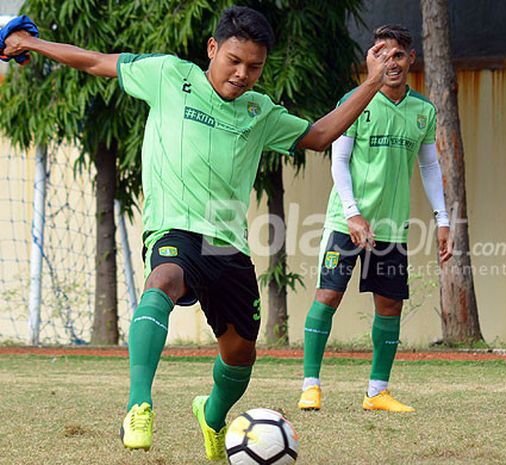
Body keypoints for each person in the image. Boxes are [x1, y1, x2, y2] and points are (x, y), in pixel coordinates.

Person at [1, 6, 397, 459]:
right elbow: (94, 60)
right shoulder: (169, 76)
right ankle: (138, 405)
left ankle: (211, 417)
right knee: (163, 280)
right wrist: (29, 43)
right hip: (174, 226)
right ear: (213, 49)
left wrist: (371, 82)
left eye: (255, 66)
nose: (242, 74)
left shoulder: (259, 110)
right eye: (234, 60)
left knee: (241, 352)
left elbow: (321, 134)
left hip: (226, 243)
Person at [297, 24, 451, 413]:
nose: (391, 63)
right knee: (328, 296)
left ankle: (377, 392)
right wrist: (352, 213)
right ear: (372, 60)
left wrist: (443, 218)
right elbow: (339, 161)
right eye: (382, 55)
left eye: (398, 55)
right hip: (345, 222)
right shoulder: (354, 101)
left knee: (389, 305)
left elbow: (430, 167)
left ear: (411, 59)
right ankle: (310, 386)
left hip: (392, 227)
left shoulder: (424, 111)